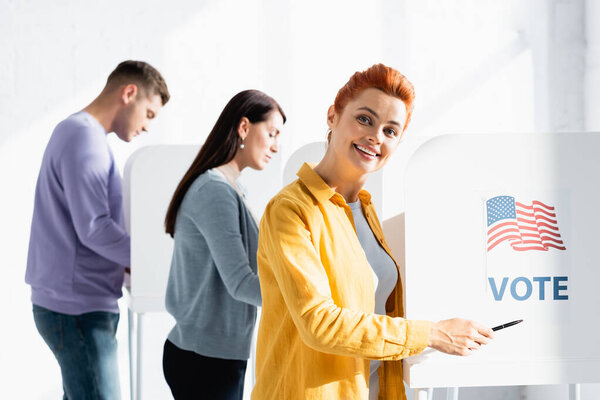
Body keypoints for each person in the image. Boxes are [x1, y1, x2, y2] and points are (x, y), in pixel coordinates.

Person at [252, 64, 494, 400]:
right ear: (333, 116)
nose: (375, 137)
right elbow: (319, 323)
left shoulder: (365, 209)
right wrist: (434, 334)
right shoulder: (292, 209)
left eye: (390, 131)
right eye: (365, 119)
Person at [25, 60, 170, 399]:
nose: (148, 127)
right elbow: (94, 228)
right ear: (129, 93)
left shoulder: (81, 134)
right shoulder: (83, 138)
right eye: (149, 114)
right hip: (76, 308)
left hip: (75, 303)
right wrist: (152, 261)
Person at [162, 89, 286, 400]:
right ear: (244, 128)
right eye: (271, 133)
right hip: (204, 358)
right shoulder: (214, 190)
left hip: (214, 355)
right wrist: (300, 299)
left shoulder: (231, 187)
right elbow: (241, 283)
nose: (275, 146)